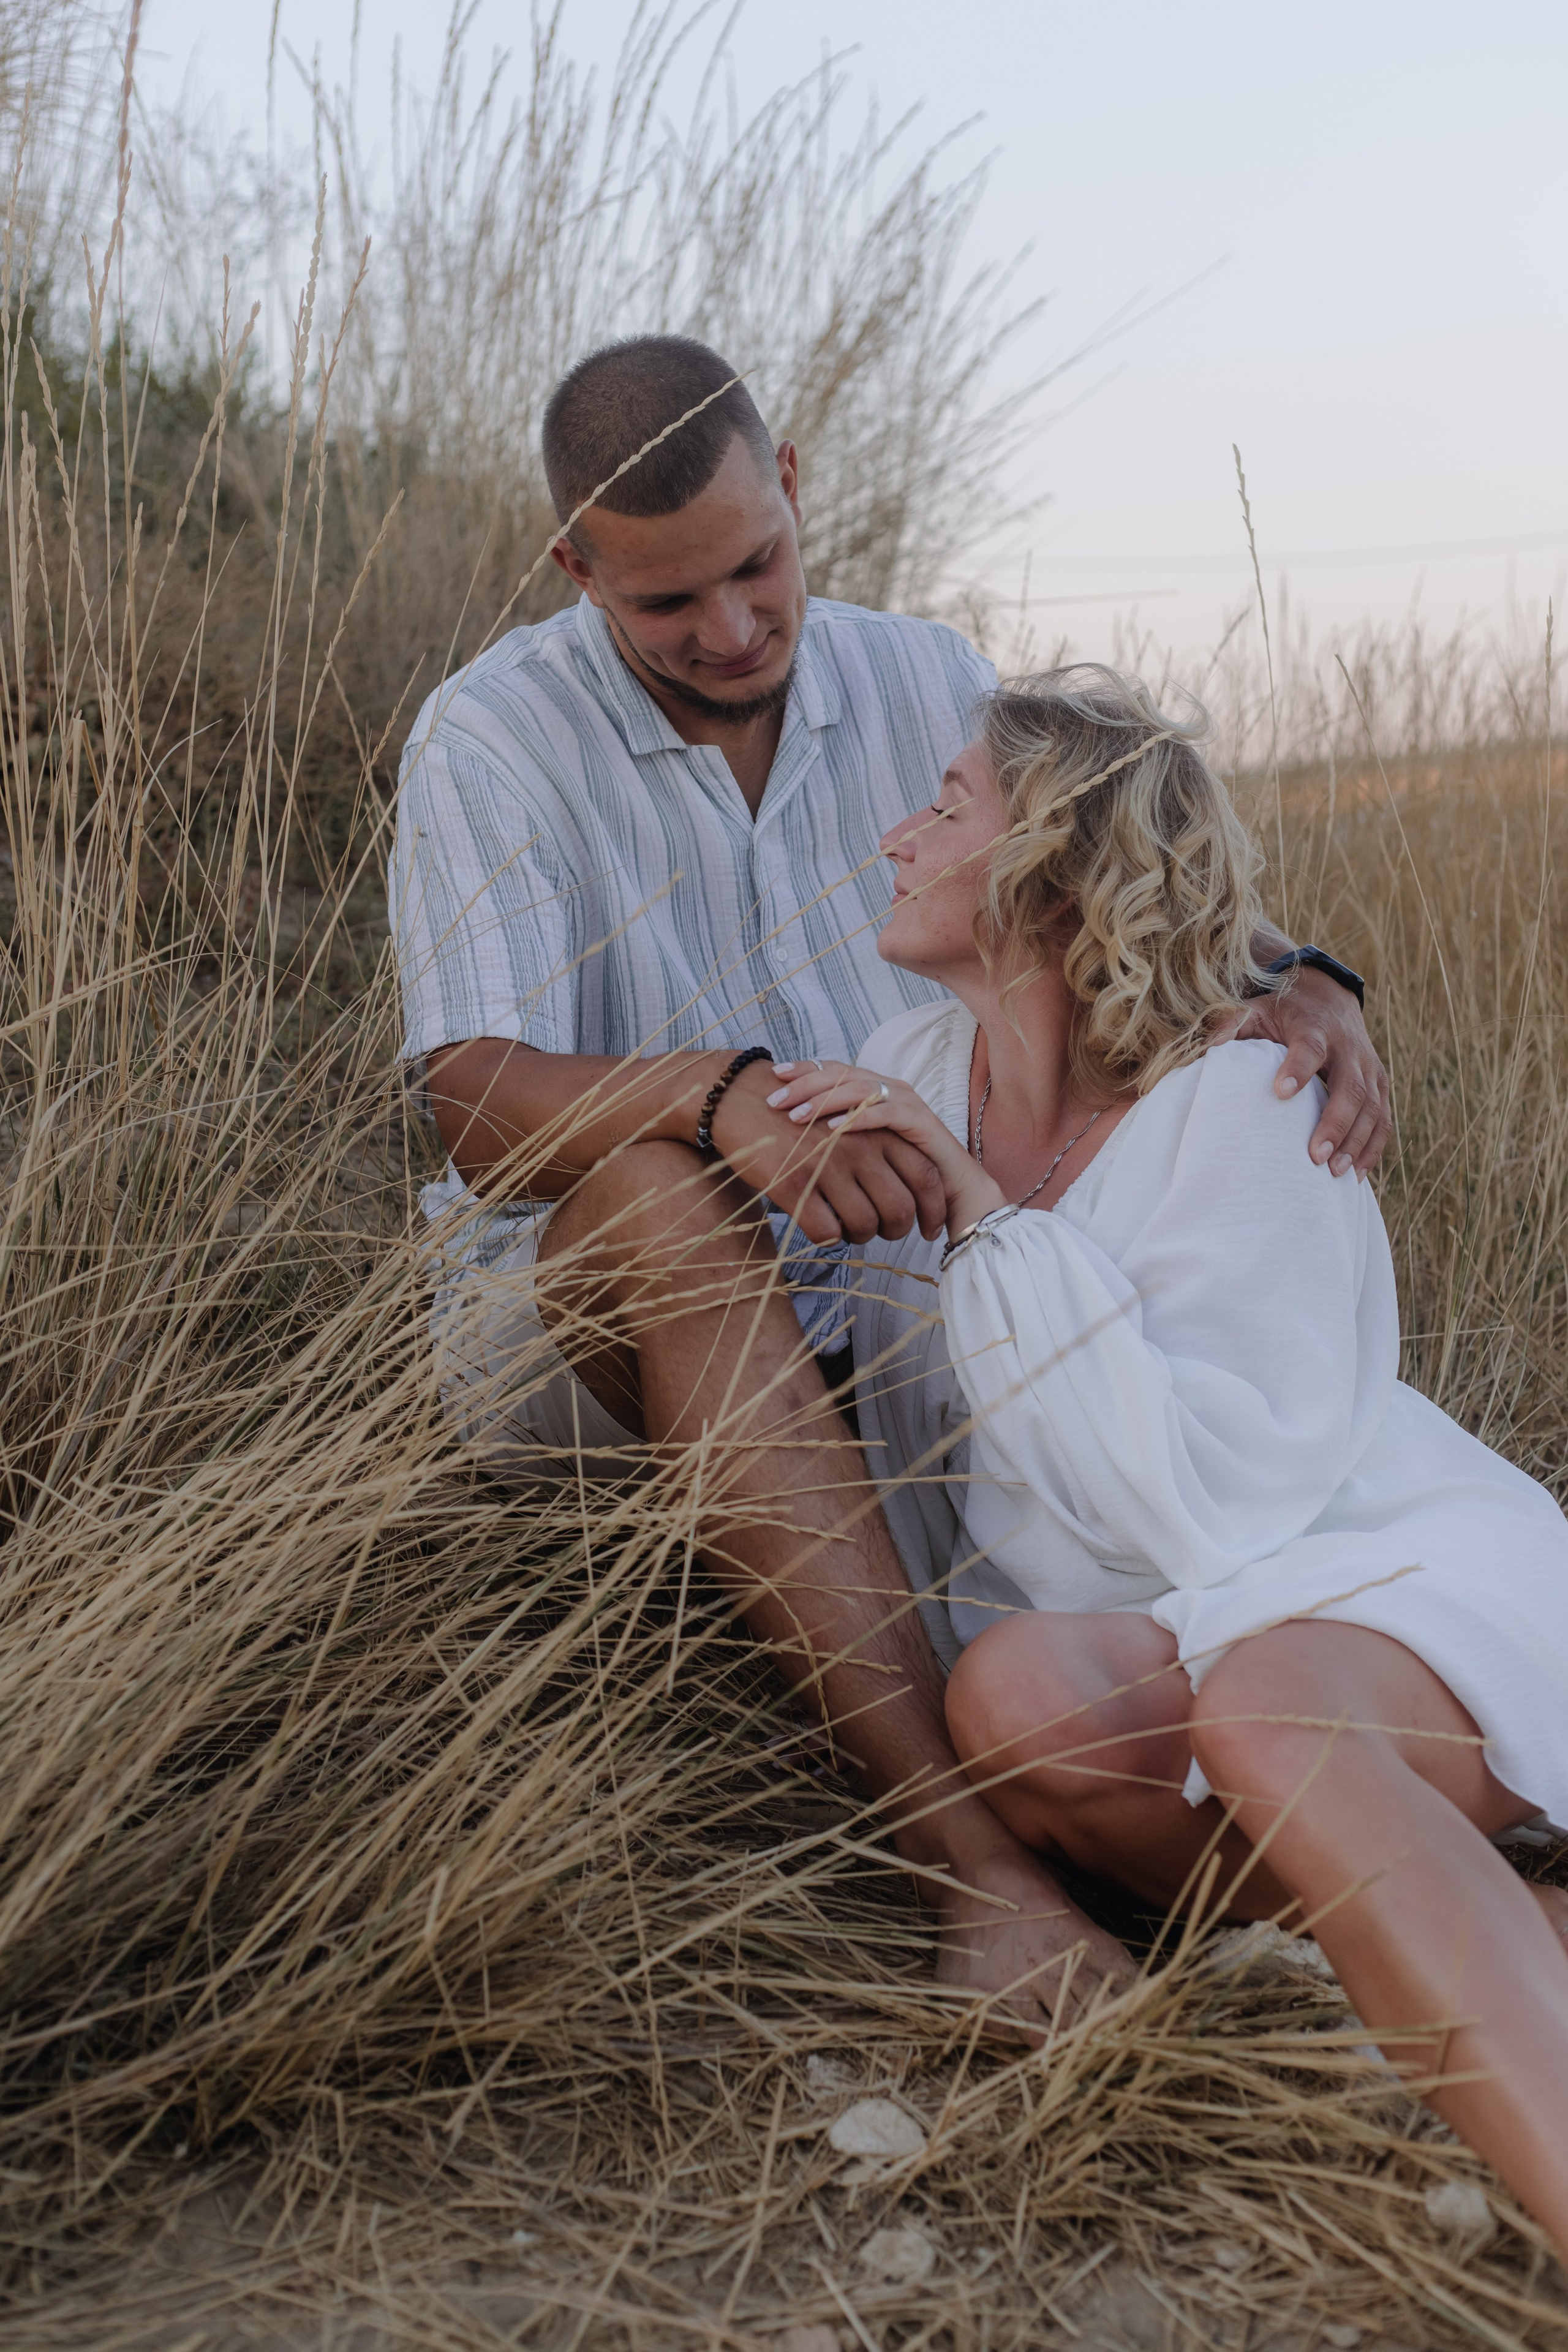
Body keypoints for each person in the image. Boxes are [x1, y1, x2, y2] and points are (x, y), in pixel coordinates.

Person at [389, 333, 1390, 2033]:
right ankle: (972, 1877)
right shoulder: (492, 739)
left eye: (756, 568)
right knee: (661, 1201)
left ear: (796, 487)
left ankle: (1321, 1829)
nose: (728, 629)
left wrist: (1314, 979)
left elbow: (1103, 863)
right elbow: (471, 1096)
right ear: (576, 571)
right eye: (664, 606)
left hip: (891, 1326)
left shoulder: (924, 674)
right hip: (578, 1334)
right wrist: (722, 1104)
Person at [766, 662, 1568, 2252]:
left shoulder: (1255, 1101)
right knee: (1009, 1704)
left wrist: (987, 1225)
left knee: (1264, 1708)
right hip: (1152, 1626)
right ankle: (1497, 1925)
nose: (896, 839)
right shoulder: (913, 1072)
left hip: (1353, 1568)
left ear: (1051, 868)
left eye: (947, 808)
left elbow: (1208, 1502)